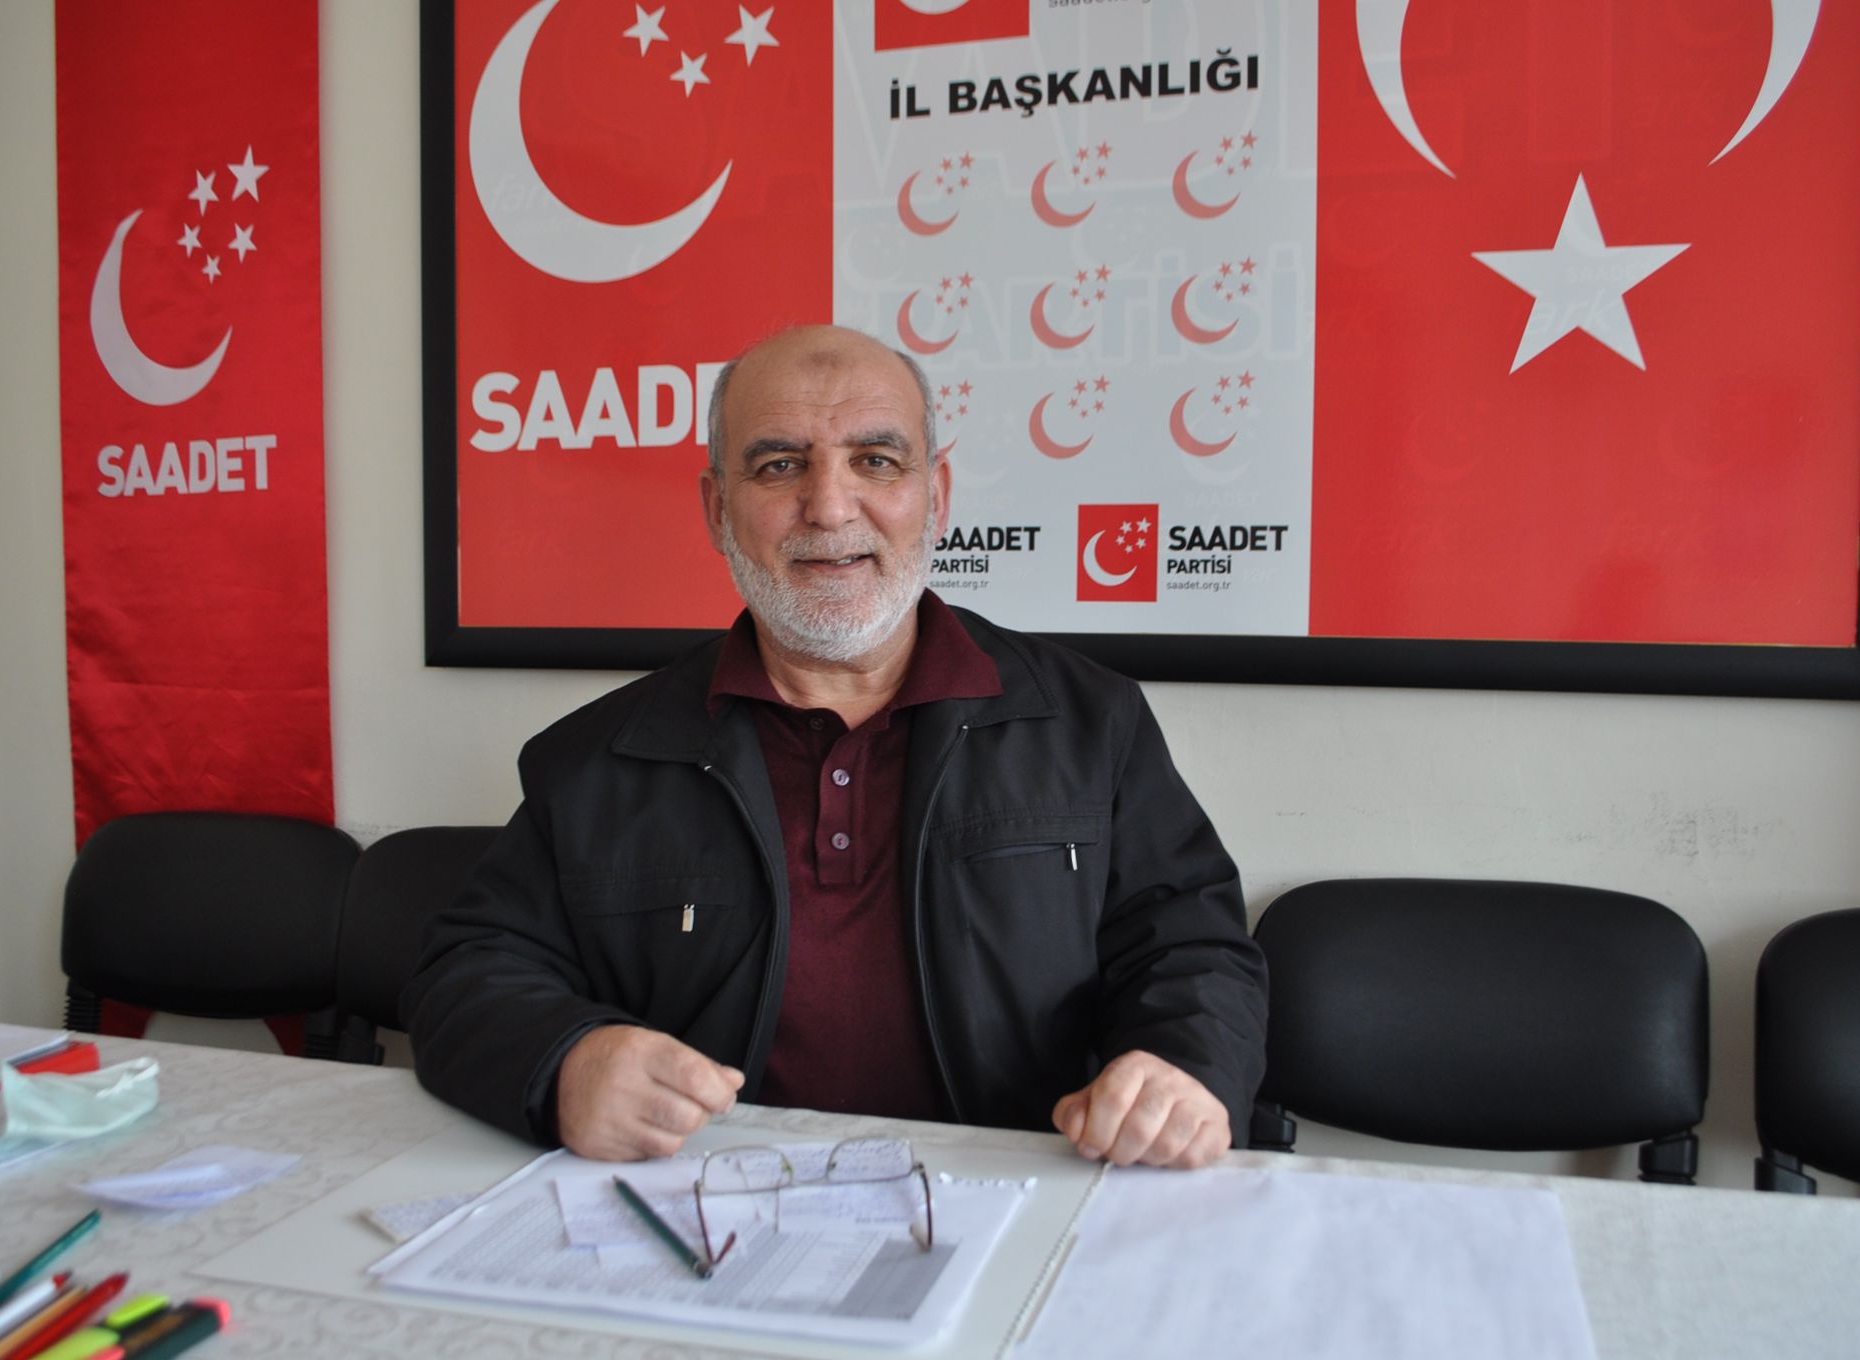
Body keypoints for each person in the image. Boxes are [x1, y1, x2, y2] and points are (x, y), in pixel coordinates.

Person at [403, 325, 1267, 1170]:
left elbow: (1193, 949)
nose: (829, 506)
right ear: (717, 509)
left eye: (877, 461)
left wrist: (1181, 1068)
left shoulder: (1089, 723)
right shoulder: (598, 758)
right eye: (780, 465)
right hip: (704, 1207)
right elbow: (465, 976)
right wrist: (566, 1062)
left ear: (937, 495)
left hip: (1018, 1192)